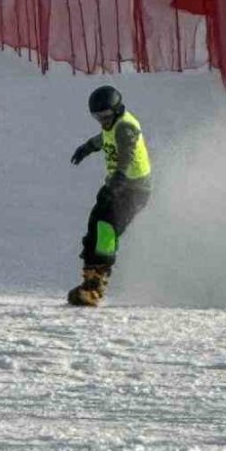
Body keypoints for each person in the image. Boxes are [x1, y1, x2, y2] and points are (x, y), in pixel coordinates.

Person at [67, 86, 153, 306]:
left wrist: (121, 177)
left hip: (133, 189)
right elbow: (105, 138)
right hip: (117, 185)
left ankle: (97, 286)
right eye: (97, 117)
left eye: (105, 116)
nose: (101, 120)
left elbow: (127, 153)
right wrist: (88, 147)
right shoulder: (112, 125)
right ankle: (90, 280)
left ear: (116, 110)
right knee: (95, 225)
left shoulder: (125, 127)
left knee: (107, 228)